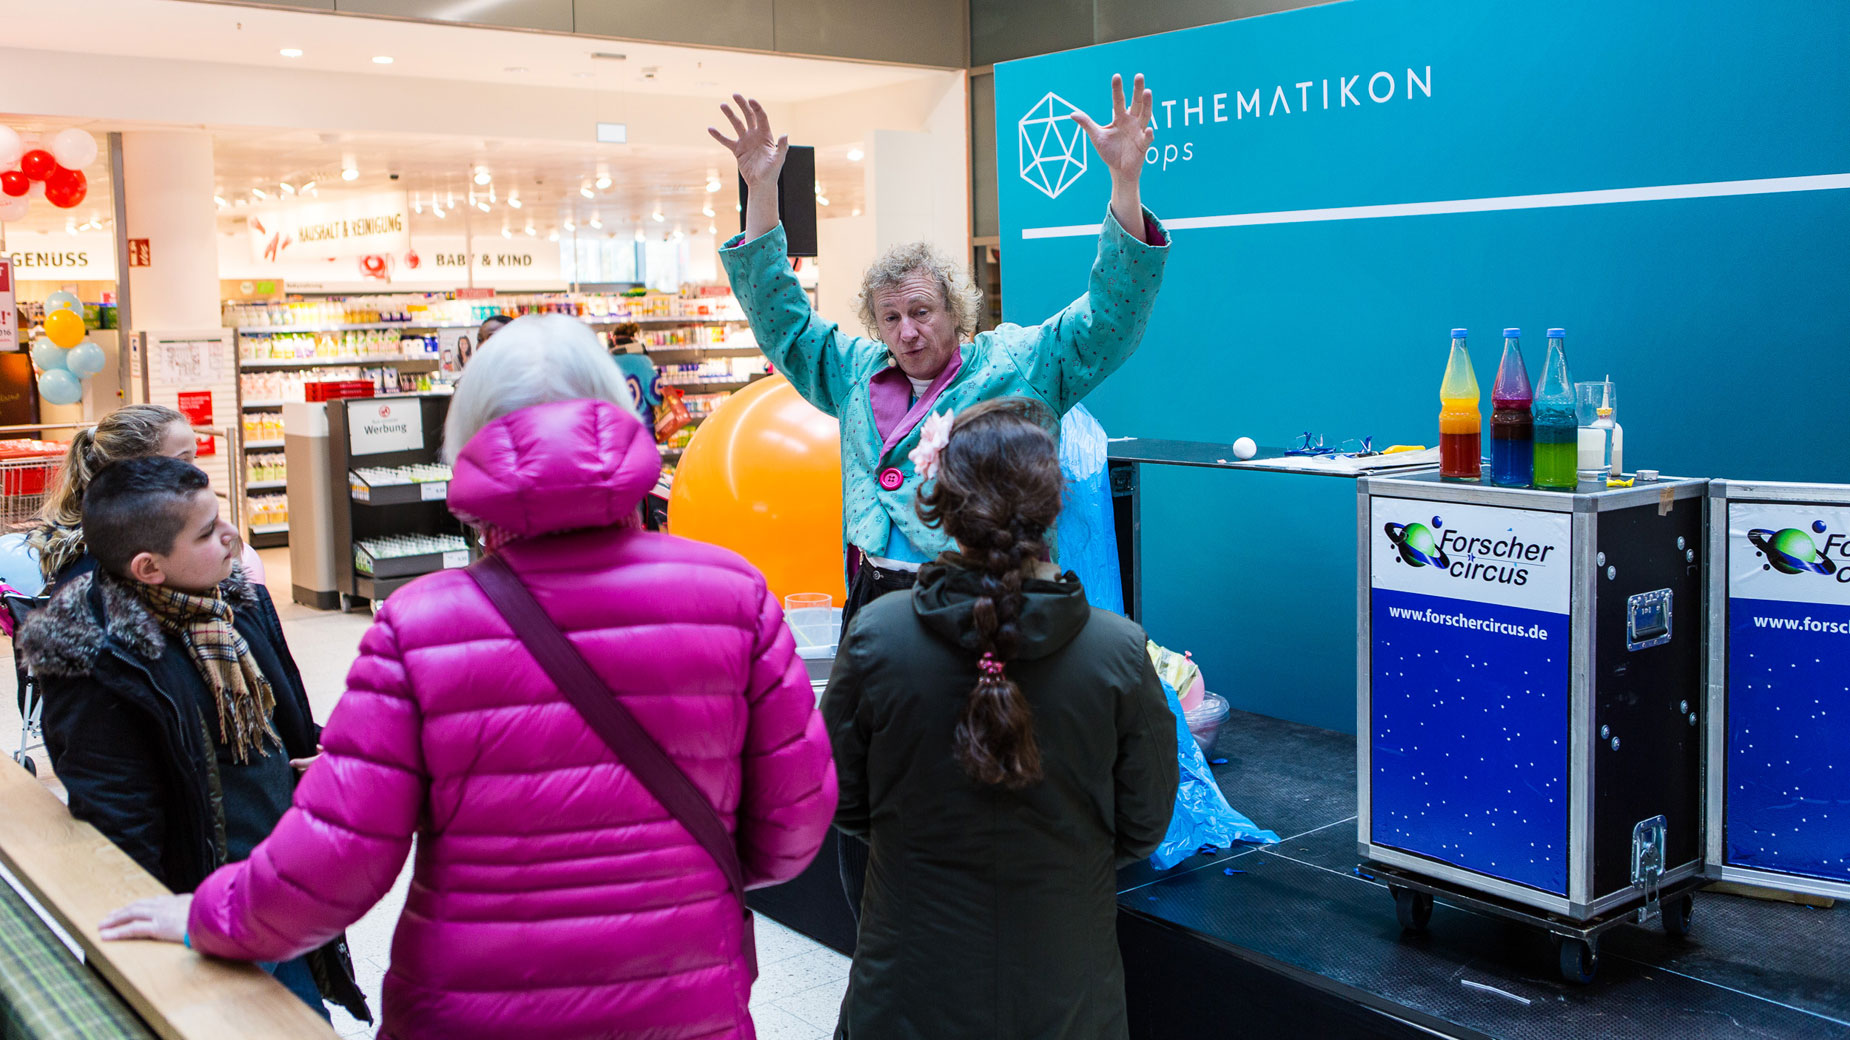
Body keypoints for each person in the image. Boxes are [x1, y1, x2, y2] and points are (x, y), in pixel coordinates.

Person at [98, 314, 840, 1040]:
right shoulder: (735, 593)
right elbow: (792, 829)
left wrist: (204, 912)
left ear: (468, 439)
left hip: (476, 1004)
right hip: (685, 996)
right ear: (621, 411)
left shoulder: (420, 623)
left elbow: (337, 862)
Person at [708, 74, 1169, 630]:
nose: (907, 333)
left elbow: (1110, 317)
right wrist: (761, 191)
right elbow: (781, 317)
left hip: (990, 605)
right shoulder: (853, 372)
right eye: (891, 319)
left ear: (957, 311)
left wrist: (1125, 182)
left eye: (922, 313)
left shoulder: (1020, 364)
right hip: (875, 604)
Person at [821, 398, 1178, 1039]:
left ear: (943, 503)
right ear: (1055, 504)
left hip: (906, 989)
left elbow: (839, 799)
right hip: (1067, 997)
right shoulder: (1117, 652)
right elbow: (1144, 824)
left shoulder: (877, 638)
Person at [16, 457, 367, 1021]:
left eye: (220, 517)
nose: (231, 536)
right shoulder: (102, 666)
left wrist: (338, 753)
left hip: (271, 885)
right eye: (207, 532)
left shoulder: (231, 606)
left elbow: (282, 722)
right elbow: (121, 823)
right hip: (200, 915)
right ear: (149, 567)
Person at [28, 403, 264, 589]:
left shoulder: (134, 537)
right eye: (182, 461)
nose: (197, 472)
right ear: (131, 470)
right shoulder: (104, 566)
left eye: (195, 459)